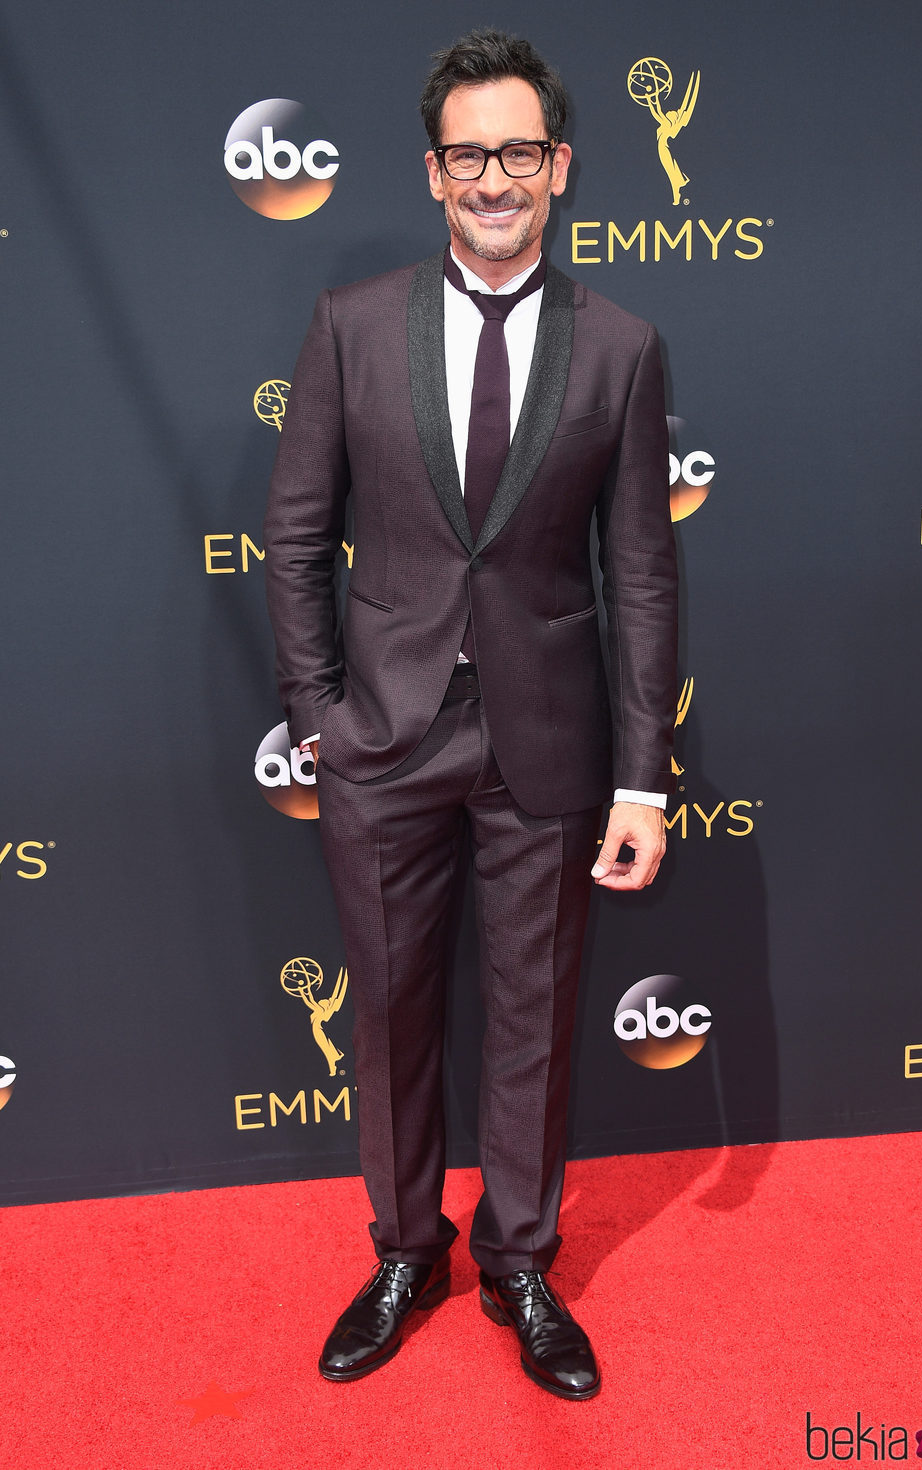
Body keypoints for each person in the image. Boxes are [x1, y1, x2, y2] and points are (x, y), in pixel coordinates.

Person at [263, 28, 678, 1401]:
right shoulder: (351, 325)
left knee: (536, 1014)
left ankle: (519, 1260)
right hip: (381, 738)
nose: (491, 177)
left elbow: (641, 569)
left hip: (548, 745)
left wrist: (642, 778)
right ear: (432, 169)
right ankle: (404, 1250)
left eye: (517, 152)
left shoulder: (620, 348)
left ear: (558, 166)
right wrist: (318, 712)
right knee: (383, 1011)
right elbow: (297, 532)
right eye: (465, 153)